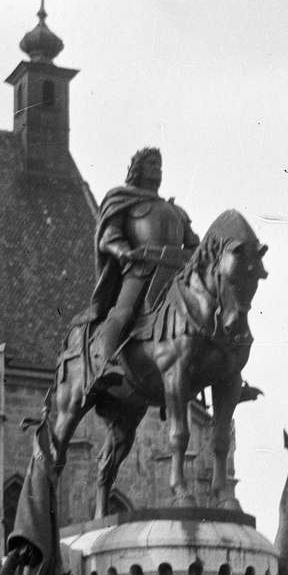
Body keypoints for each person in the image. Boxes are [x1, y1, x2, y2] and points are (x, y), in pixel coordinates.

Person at [86, 147, 199, 394]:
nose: (156, 169)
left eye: (159, 165)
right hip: (141, 271)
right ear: (137, 170)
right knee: (123, 312)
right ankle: (105, 365)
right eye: (150, 164)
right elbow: (108, 237)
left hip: (176, 276)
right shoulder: (123, 200)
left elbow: (194, 245)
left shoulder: (176, 211)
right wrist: (124, 252)